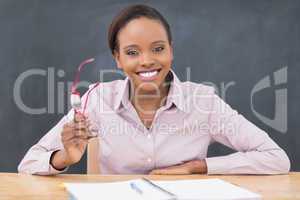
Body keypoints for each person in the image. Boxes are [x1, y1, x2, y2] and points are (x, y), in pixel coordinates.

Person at [18, 4, 290, 175]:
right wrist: (64, 157)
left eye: (158, 49)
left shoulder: (204, 102)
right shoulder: (98, 100)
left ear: (171, 49)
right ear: (118, 58)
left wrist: (201, 167)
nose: (147, 60)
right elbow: (29, 163)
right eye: (132, 52)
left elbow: (276, 159)